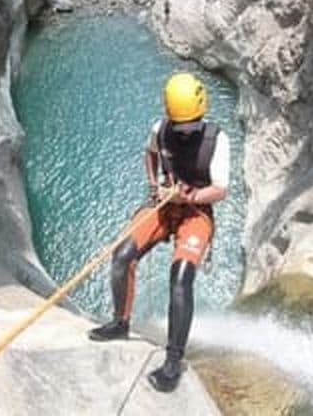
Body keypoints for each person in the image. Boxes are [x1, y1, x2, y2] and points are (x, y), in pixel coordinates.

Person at [88, 72, 231, 392]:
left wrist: (190, 196)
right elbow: (150, 153)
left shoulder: (216, 140)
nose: (184, 131)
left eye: (189, 125)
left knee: (181, 276)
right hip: (165, 205)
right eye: (179, 125)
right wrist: (154, 186)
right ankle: (120, 322)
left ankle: (173, 360)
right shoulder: (161, 130)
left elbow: (220, 189)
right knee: (123, 255)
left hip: (195, 210)